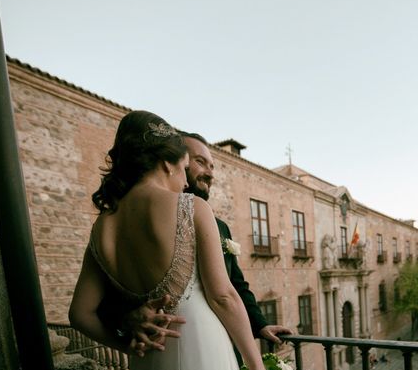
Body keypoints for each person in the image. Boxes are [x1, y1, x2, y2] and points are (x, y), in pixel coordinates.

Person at [69, 111, 272, 370]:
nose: (186, 182)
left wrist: (127, 345)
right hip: (200, 351)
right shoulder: (192, 207)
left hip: (148, 359)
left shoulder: (103, 226)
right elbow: (223, 296)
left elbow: (80, 314)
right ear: (167, 163)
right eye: (184, 166)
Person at [101, 132, 292, 356]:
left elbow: (236, 285)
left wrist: (259, 324)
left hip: (223, 349)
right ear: (173, 162)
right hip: (162, 348)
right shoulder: (134, 225)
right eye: (200, 162)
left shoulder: (220, 226)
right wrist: (127, 318)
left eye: (212, 166)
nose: (210, 173)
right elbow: (111, 294)